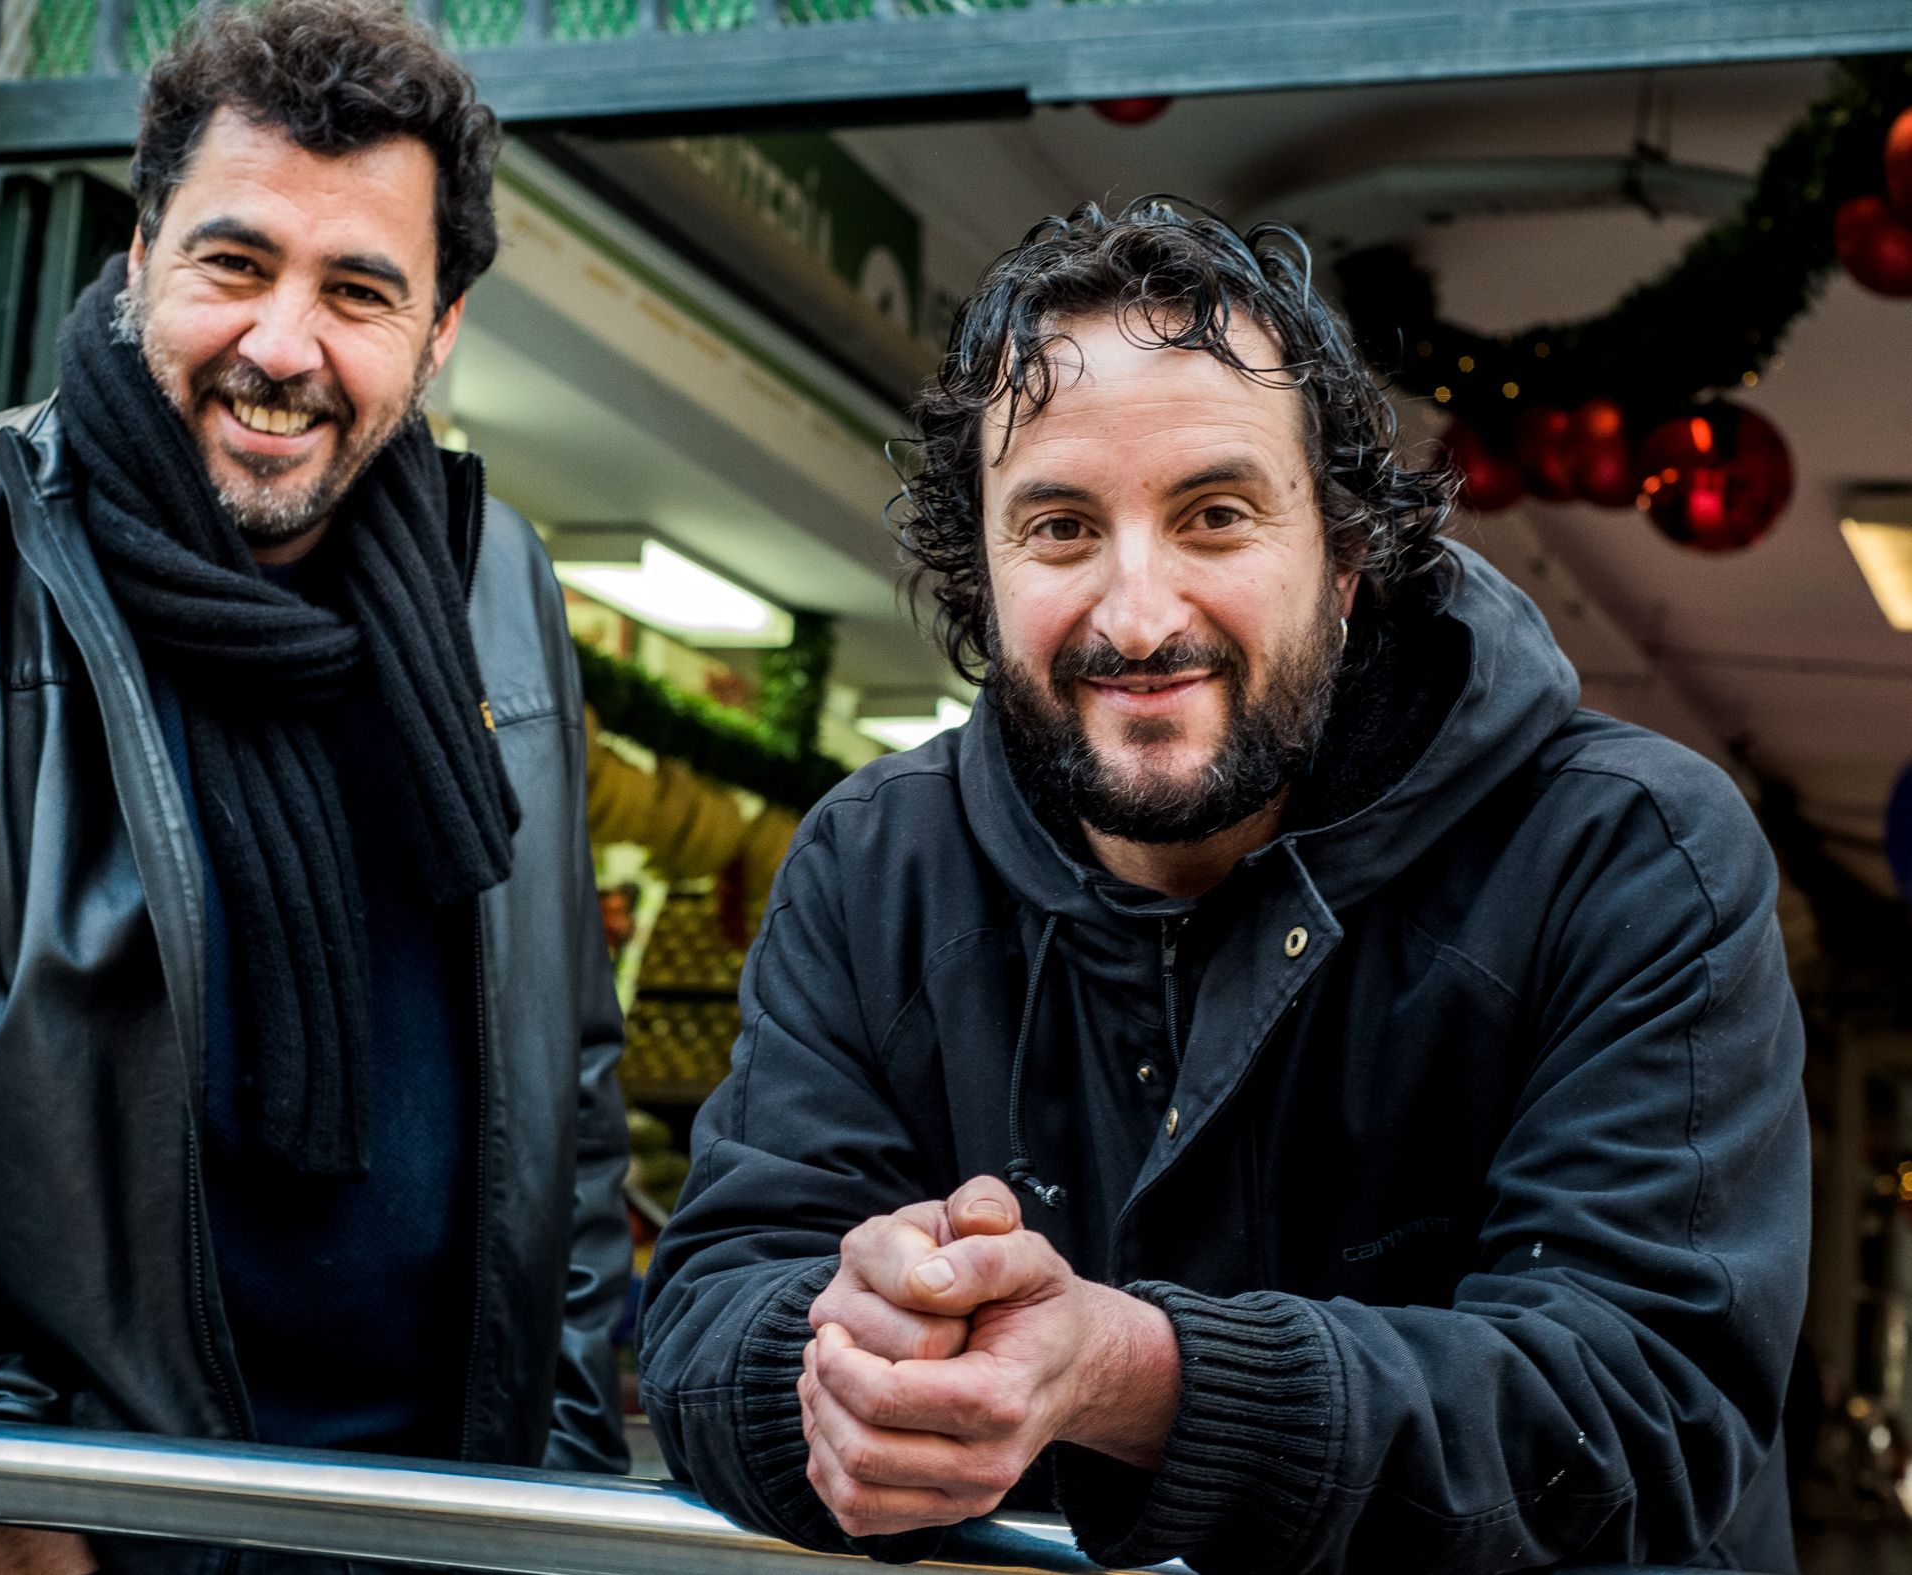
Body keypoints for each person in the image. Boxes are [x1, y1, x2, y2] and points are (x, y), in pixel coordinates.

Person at [637, 200, 1810, 1575]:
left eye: (1216, 515)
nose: (1139, 618)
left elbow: (1643, 1407)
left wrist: (1139, 1374)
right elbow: (713, 1314)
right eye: (1062, 528)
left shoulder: (1631, 854)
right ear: (984, 572)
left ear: (1350, 555)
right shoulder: (870, 868)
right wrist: (848, 1357)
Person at [0, 4, 629, 1572]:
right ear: (146, 244)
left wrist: (556, 1482)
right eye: (236, 262)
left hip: (437, 1527)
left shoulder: (494, 585)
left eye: (359, 290)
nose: (283, 345)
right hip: (77, 1531)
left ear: (438, 334)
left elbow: (566, 1081)